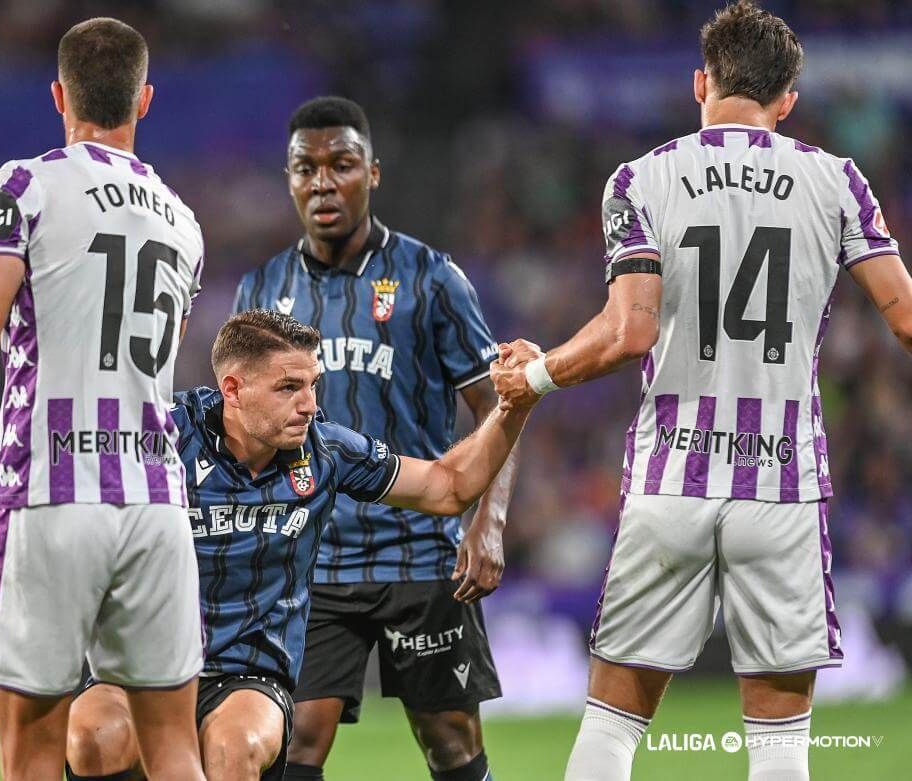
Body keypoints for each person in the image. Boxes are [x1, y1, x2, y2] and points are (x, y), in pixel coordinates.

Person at [493, 3, 912, 780]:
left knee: (613, 727)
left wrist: (538, 373)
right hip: (782, 484)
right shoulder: (837, 180)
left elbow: (629, 332)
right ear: (788, 99)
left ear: (700, 83)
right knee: (781, 747)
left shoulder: (641, 178)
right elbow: (906, 317)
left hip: (670, 481)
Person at [0, 18, 209, 781]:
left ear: (58, 95)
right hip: (157, 502)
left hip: (51, 494)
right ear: (144, 101)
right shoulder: (184, 223)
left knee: (31, 753)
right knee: (176, 749)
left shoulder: (24, 185)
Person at [64, 309, 532, 781]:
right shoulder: (158, 437)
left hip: (245, 671)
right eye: (289, 388)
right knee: (93, 737)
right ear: (233, 389)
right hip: (138, 663)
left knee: (235, 747)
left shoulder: (326, 452)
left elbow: (449, 487)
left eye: (313, 384)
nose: (308, 404)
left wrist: (515, 404)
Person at [233, 96, 514, 781]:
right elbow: (240, 431)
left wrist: (489, 522)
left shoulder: (431, 278)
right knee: (294, 736)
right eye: (306, 167)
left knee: (449, 737)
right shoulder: (262, 288)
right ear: (289, 178)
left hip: (417, 549)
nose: (323, 182)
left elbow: (498, 406)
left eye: (342, 164)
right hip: (312, 558)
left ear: (373, 174)